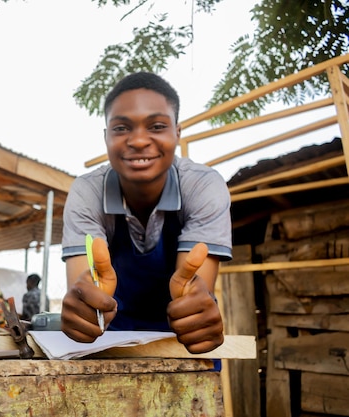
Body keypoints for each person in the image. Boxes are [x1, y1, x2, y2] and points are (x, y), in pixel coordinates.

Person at [60, 71, 232, 354]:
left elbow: (197, 293)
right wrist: (83, 309)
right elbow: (85, 289)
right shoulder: (86, 192)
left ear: (177, 132)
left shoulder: (203, 186)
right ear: (106, 137)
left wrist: (201, 309)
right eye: (121, 128)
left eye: (156, 126)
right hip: (108, 348)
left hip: (181, 346)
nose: (139, 140)